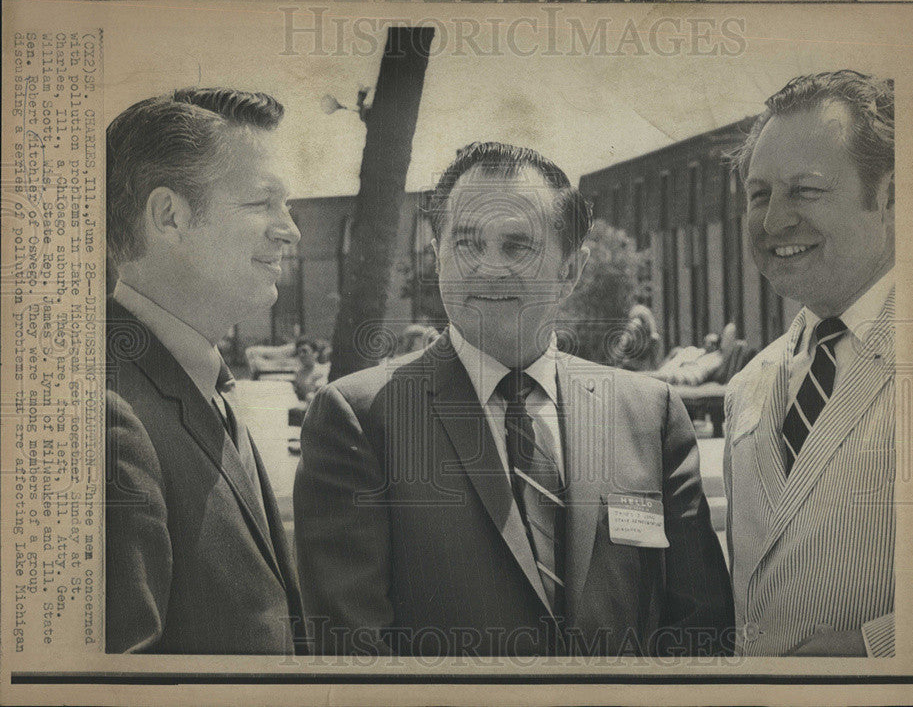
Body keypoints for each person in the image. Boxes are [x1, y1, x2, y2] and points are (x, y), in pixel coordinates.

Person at [295, 142, 733, 657]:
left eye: (517, 245)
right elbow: (353, 658)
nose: (489, 268)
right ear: (438, 260)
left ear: (570, 269)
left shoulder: (649, 416)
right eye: (466, 244)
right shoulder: (361, 420)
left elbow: (701, 636)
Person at [104, 88, 307, 654]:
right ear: (170, 215)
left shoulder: (199, 383)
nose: (290, 229)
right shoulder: (106, 414)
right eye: (260, 203)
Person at [724, 70, 896, 657]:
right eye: (759, 194)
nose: (773, 222)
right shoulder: (748, 386)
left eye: (805, 190)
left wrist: (876, 646)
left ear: (891, 194)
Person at [292, 336, 330, 404]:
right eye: (299, 352)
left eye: (304, 351)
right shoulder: (298, 374)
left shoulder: (324, 370)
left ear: (315, 353)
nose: (301, 355)